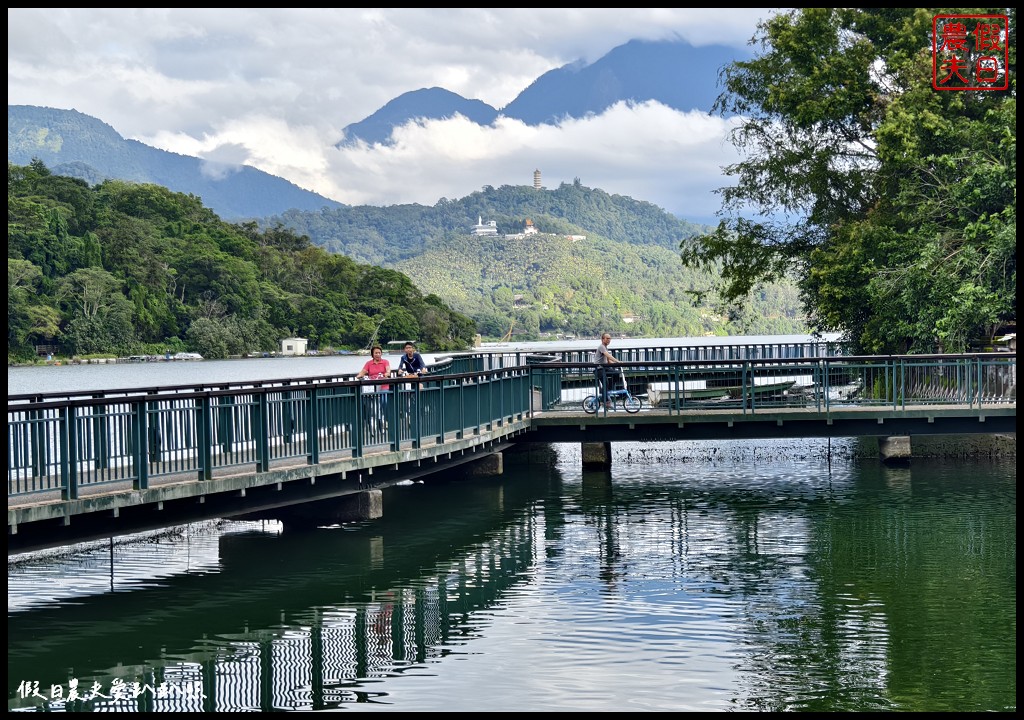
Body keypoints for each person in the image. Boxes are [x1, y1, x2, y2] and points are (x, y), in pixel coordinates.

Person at [356, 345, 391, 433]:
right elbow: (362, 372)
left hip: (383, 386)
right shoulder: (369, 363)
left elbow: (388, 371)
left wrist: (384, 375)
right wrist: (359, 376)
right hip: (372, 387)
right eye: (376, 353)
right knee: (372, 405)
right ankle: (374, 421)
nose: (377, 354)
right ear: (372, 354)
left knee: (384, 401)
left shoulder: (385, 362)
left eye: (379, 353)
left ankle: (383, 418)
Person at [396, 341, 427, 431]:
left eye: (410, 347)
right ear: (404, 349)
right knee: (408, 397)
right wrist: (400, 370)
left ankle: (421, 410)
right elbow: (400, 367)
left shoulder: (417, 355)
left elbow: (422, 365)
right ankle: (409, 416)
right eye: (407, 348)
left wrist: (423, 369)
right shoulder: (403, 357)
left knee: (419, 393)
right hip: (409, 378)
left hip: (419, 377)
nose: (408, 349)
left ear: (413, 348)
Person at [594, 332, 619, 409]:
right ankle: (605, 401)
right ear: (602, 339)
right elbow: (608, 355)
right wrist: (617, 361)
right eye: (607, 338)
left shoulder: (605, 347)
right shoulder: (601, 347)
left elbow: (608, 360)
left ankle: (606, 391)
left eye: (610, 338)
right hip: (599, 369)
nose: (609, 340)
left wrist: (615, 365)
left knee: (616, 374)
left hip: (604, 367)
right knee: (605, 383)